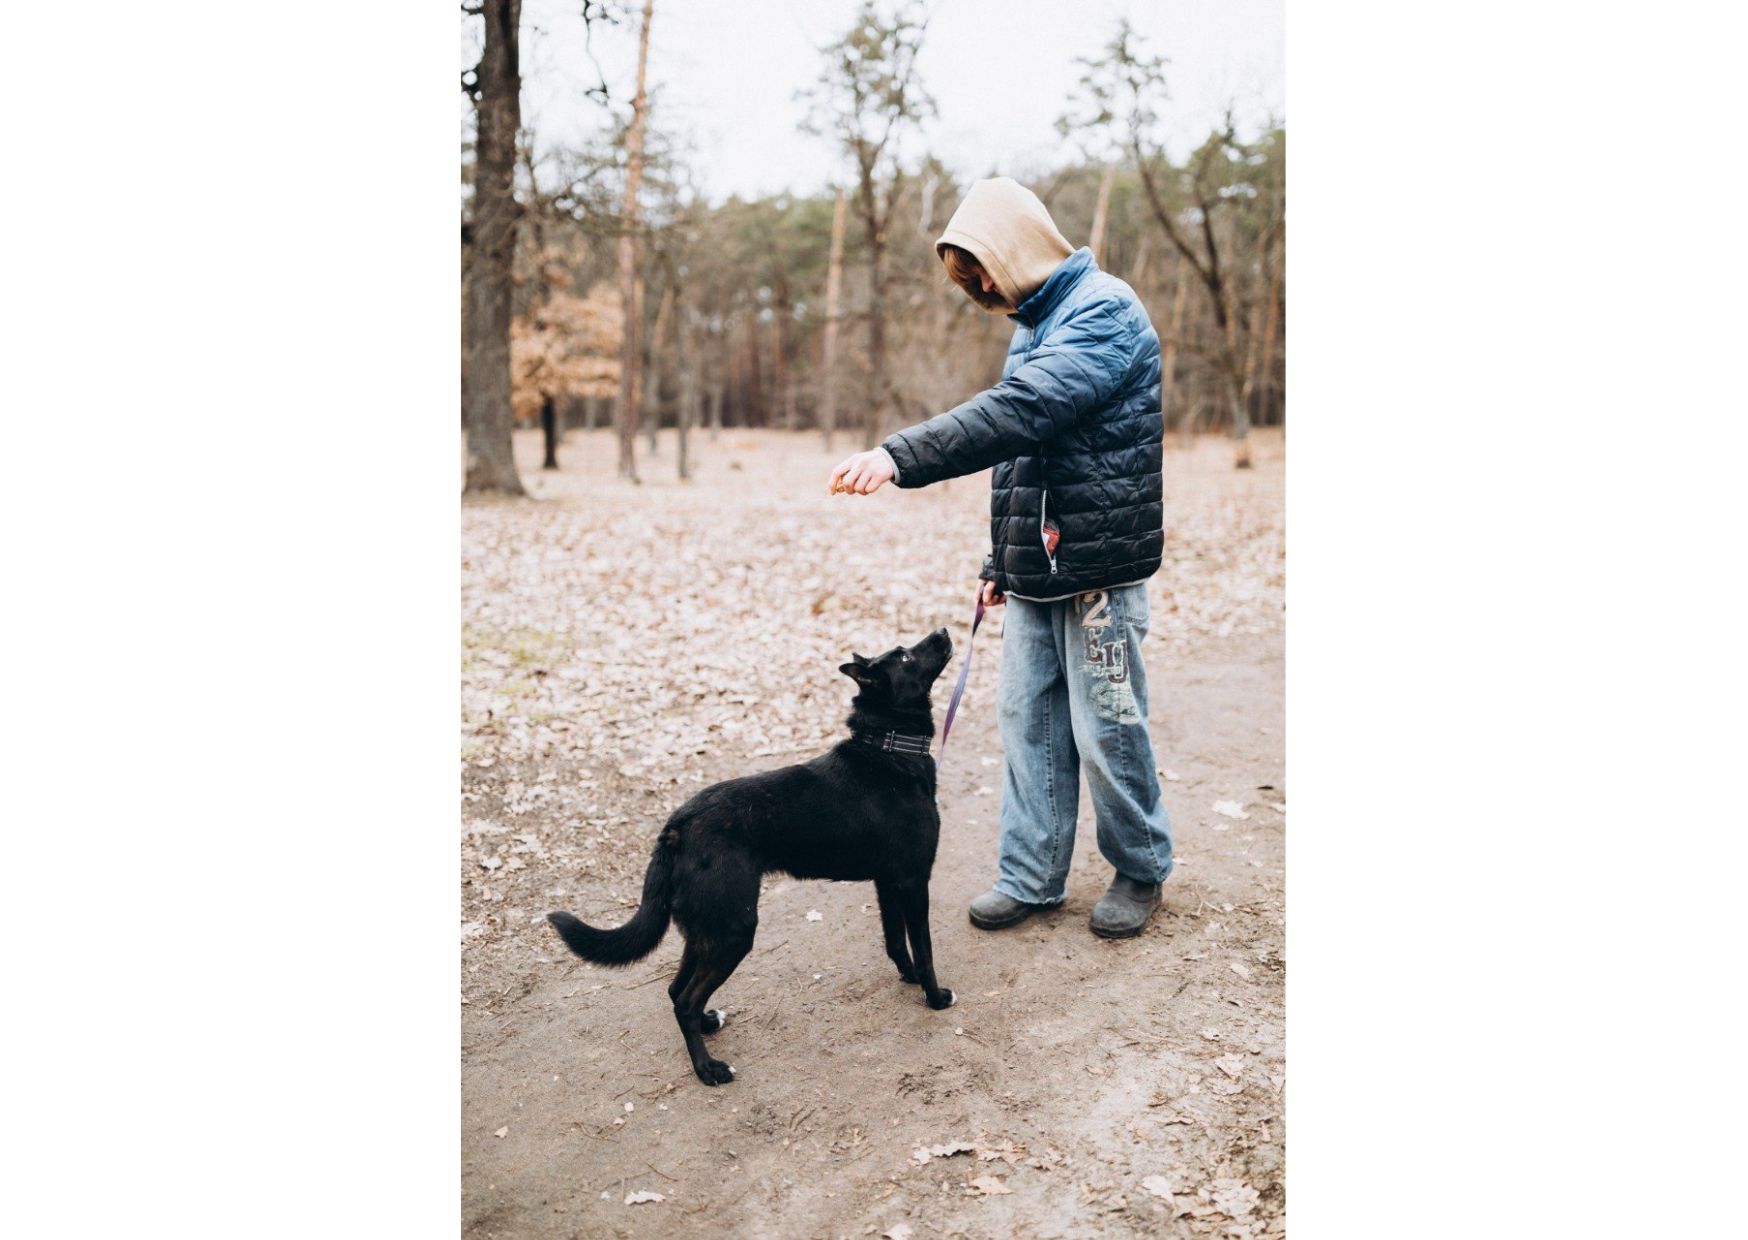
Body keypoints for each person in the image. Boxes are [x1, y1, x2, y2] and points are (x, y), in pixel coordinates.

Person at [829, 176, 1173, 939]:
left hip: (1101, 575)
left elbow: (1021, 411)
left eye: (981, 269)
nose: (980, 288)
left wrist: (898, 455)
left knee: (1107, 729)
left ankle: (1141, 867)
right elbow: (1023, 457)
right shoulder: (1037, 326)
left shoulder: (1106, 311)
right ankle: (1031, 875)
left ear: (1016, 245)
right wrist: (1000, 563)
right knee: (1027, 723)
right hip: (1037, 572)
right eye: (968, 278)